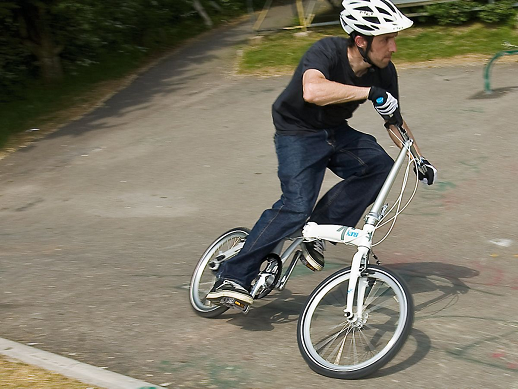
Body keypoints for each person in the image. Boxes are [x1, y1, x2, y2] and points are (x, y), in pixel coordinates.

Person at [206, 0, 437, 308]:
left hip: (333, 131)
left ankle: (315, 231)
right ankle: (232, 275)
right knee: (295, 205)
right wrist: (368, 92)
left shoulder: (383, 71)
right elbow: (312, 91)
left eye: (394, 38)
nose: (393, 47)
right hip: (296, 132)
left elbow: (393, 119)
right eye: (386, 39)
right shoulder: (326, 51)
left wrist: (417, 159)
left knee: (380, 166)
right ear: (361, 41)